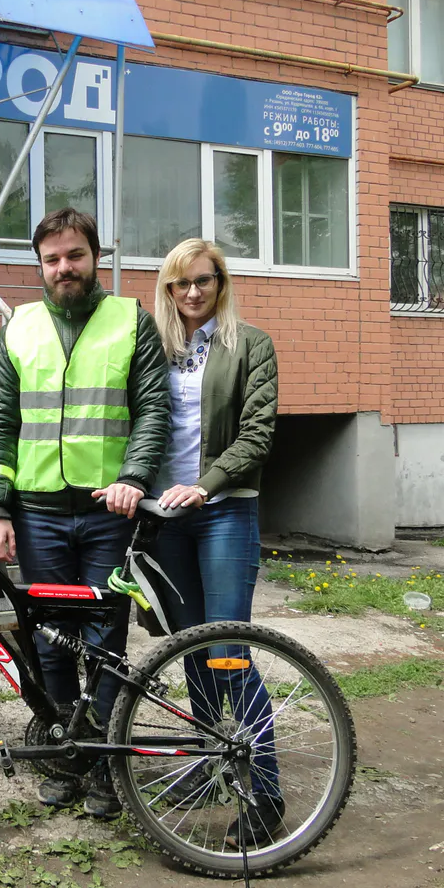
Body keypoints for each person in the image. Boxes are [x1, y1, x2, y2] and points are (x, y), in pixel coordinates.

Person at [0, 208, 170, 818]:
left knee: (105, 640)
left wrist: (134, 478)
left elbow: (152, 409)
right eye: (52, 259)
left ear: (96, 257)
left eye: (75, 255)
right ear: (40, 265)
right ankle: (67, 757)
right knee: (51, 640)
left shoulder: (131, 320)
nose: (64, 267)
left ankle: (106, 762)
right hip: (37, 513)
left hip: (108, 512)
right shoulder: (19, 326)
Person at [148, 237, 282, 847]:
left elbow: (257, 435)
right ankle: (207, 763)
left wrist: (203, 487)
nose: (193, 292)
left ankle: (266, 794)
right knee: (191, 648)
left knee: (228, 651)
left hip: (224, 510)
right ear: (168, 289)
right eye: (181, 283)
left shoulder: (250, 344)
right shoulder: (153, 347)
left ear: (220, 284)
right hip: (165, 517)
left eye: (203, 280)